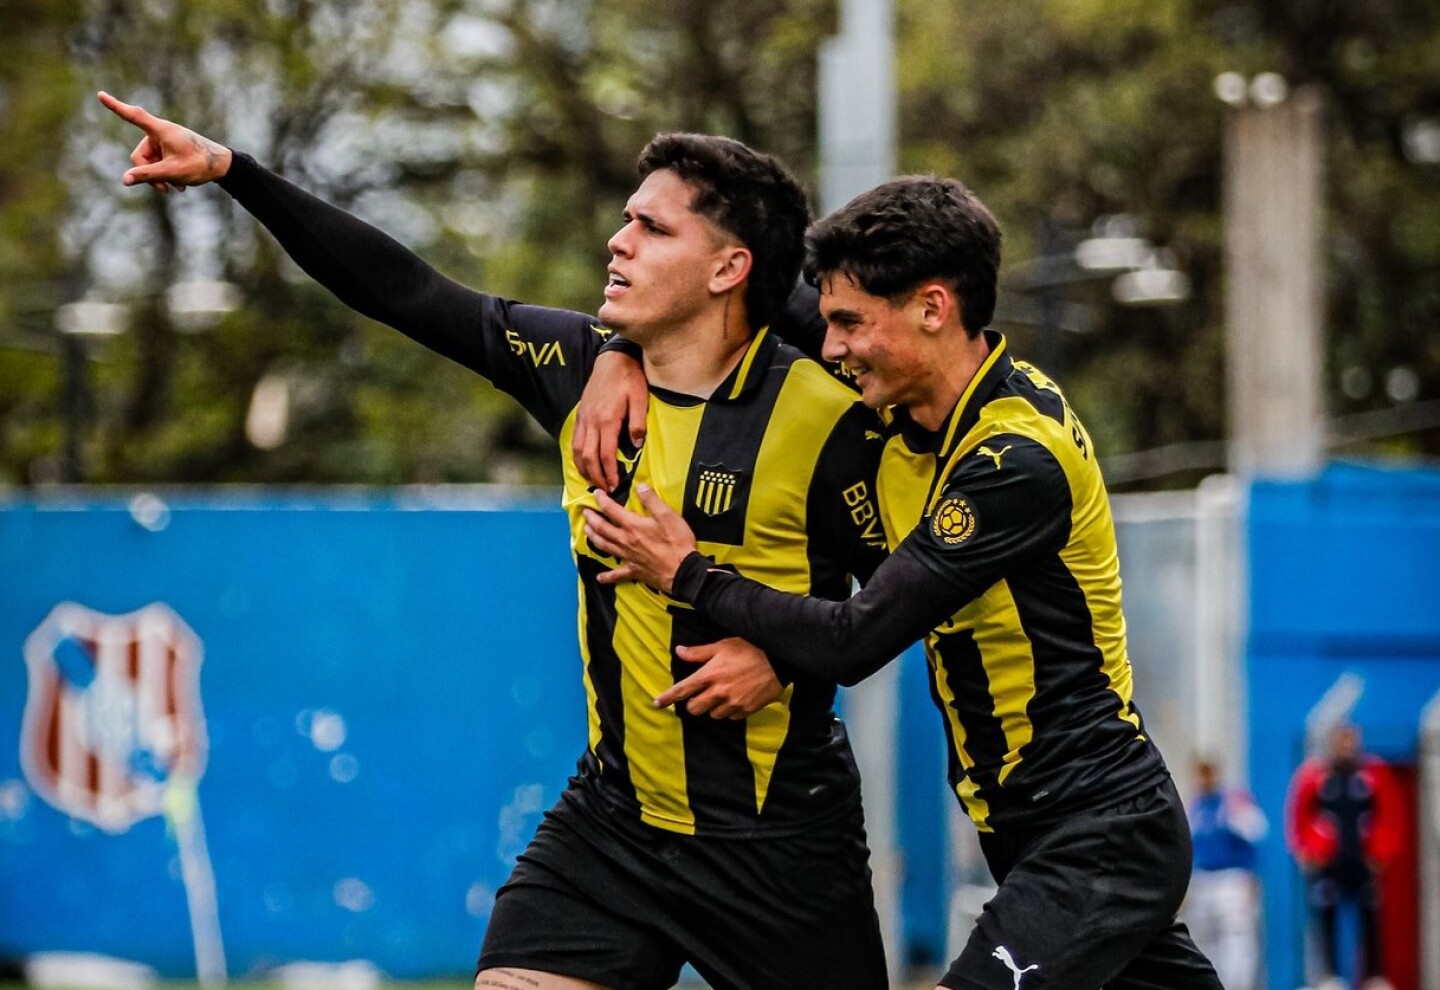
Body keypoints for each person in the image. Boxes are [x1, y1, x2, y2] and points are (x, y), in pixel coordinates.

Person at [97, 92, 892, 990]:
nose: (618, 241)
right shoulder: (576, 364)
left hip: (779, 845)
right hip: (616, 824)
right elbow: (408, 292)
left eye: (652, 229)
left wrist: (784, 659)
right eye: (626, 220)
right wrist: (236, 172)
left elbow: (900, 599)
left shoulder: (835, 416)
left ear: (728, 269)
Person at [582, 175, 1223, 989]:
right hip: (1035, 834)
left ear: (933, 308)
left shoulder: (1013, 461)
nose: (832, 347)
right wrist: (617, 351)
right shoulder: (912, 386)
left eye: (849, 325)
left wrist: (688, 574)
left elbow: (857, 638)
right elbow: (718, 281)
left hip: (1099, 835)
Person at [1286, 723, 1401, 990]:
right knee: (1326, 919)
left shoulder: (1372, 776)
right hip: (1329, 865)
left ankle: (1374, 978)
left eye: (1352, 742)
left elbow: (1391, 816)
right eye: (1343, 742)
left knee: (1370, 920)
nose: (1347, 747)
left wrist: (1381, 851)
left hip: (1363, 863)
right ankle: (1329, 976)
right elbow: (1299, 816)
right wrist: (1309, 850)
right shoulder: (1316, 777)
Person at [1185, 758, 1267, 990]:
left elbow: (1256, 835)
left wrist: (1252, 876)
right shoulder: (1195, 807)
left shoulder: (1233, 802)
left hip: (1232, 879)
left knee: (1237, 939)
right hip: (1203, 881)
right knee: (1204, 940)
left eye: (1208, 773)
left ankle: (1236, 986)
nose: (1204, 780)